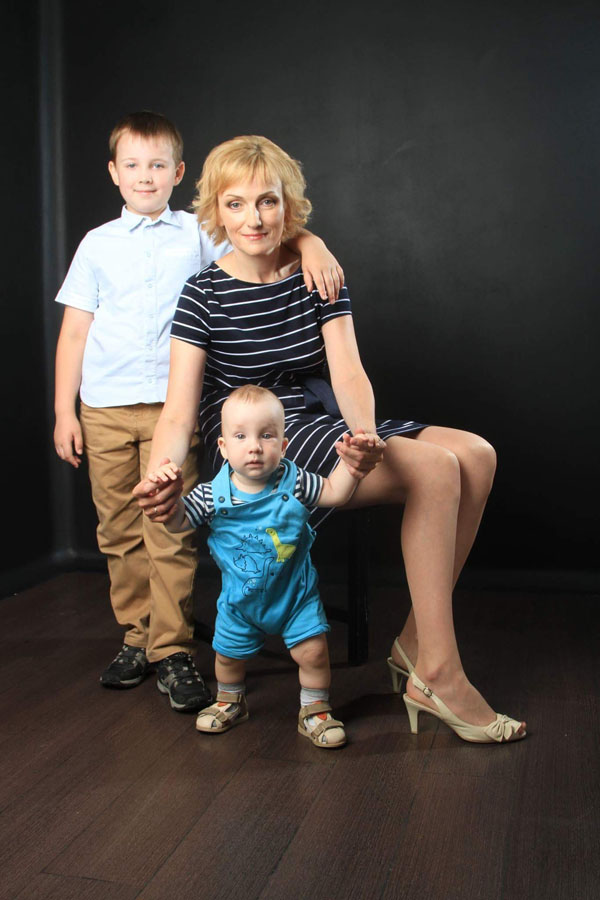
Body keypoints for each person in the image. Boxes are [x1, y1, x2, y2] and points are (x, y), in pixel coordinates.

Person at [135, 135, 526, 743]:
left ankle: (416, 645)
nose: (253, 218)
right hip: (261, 440)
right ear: (216, 211)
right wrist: (162, 471)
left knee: (477, 455)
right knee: (436, 468)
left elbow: (347, 371)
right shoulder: (203, 294)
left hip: (323, 418)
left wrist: (363, 438)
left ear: (287, 205)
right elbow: (179, 412)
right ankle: (439, 674)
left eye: (267, 201)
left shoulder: (317, 274)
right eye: (235, 204)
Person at [53, 113, 345, 713]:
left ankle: (172, 646)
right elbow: (75, 332)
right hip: (104, 405)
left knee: (171, 525)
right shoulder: (96, 245)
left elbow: (260, 235)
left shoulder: (198, 233)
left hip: (174, 406)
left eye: (158, 165)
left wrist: (312, 242)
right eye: (132, 165)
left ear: (178, 172)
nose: (145, 176)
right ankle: (137, 636)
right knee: (119, 528)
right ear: (113, 173)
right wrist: (64, 410)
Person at [148, 385, 377, 746]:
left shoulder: (294, 481)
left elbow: (334, 492)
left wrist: (351, 466)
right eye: (240, 436)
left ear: (283, 446)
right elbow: (178, 523)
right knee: (227, 657)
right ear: (223, 447)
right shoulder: (211, 495)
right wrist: (169, 499)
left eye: (266, 436)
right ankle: (230, 700)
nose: (254, 446)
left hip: (294, 597)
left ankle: (314, 709)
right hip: (240, 602)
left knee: (313, 653)